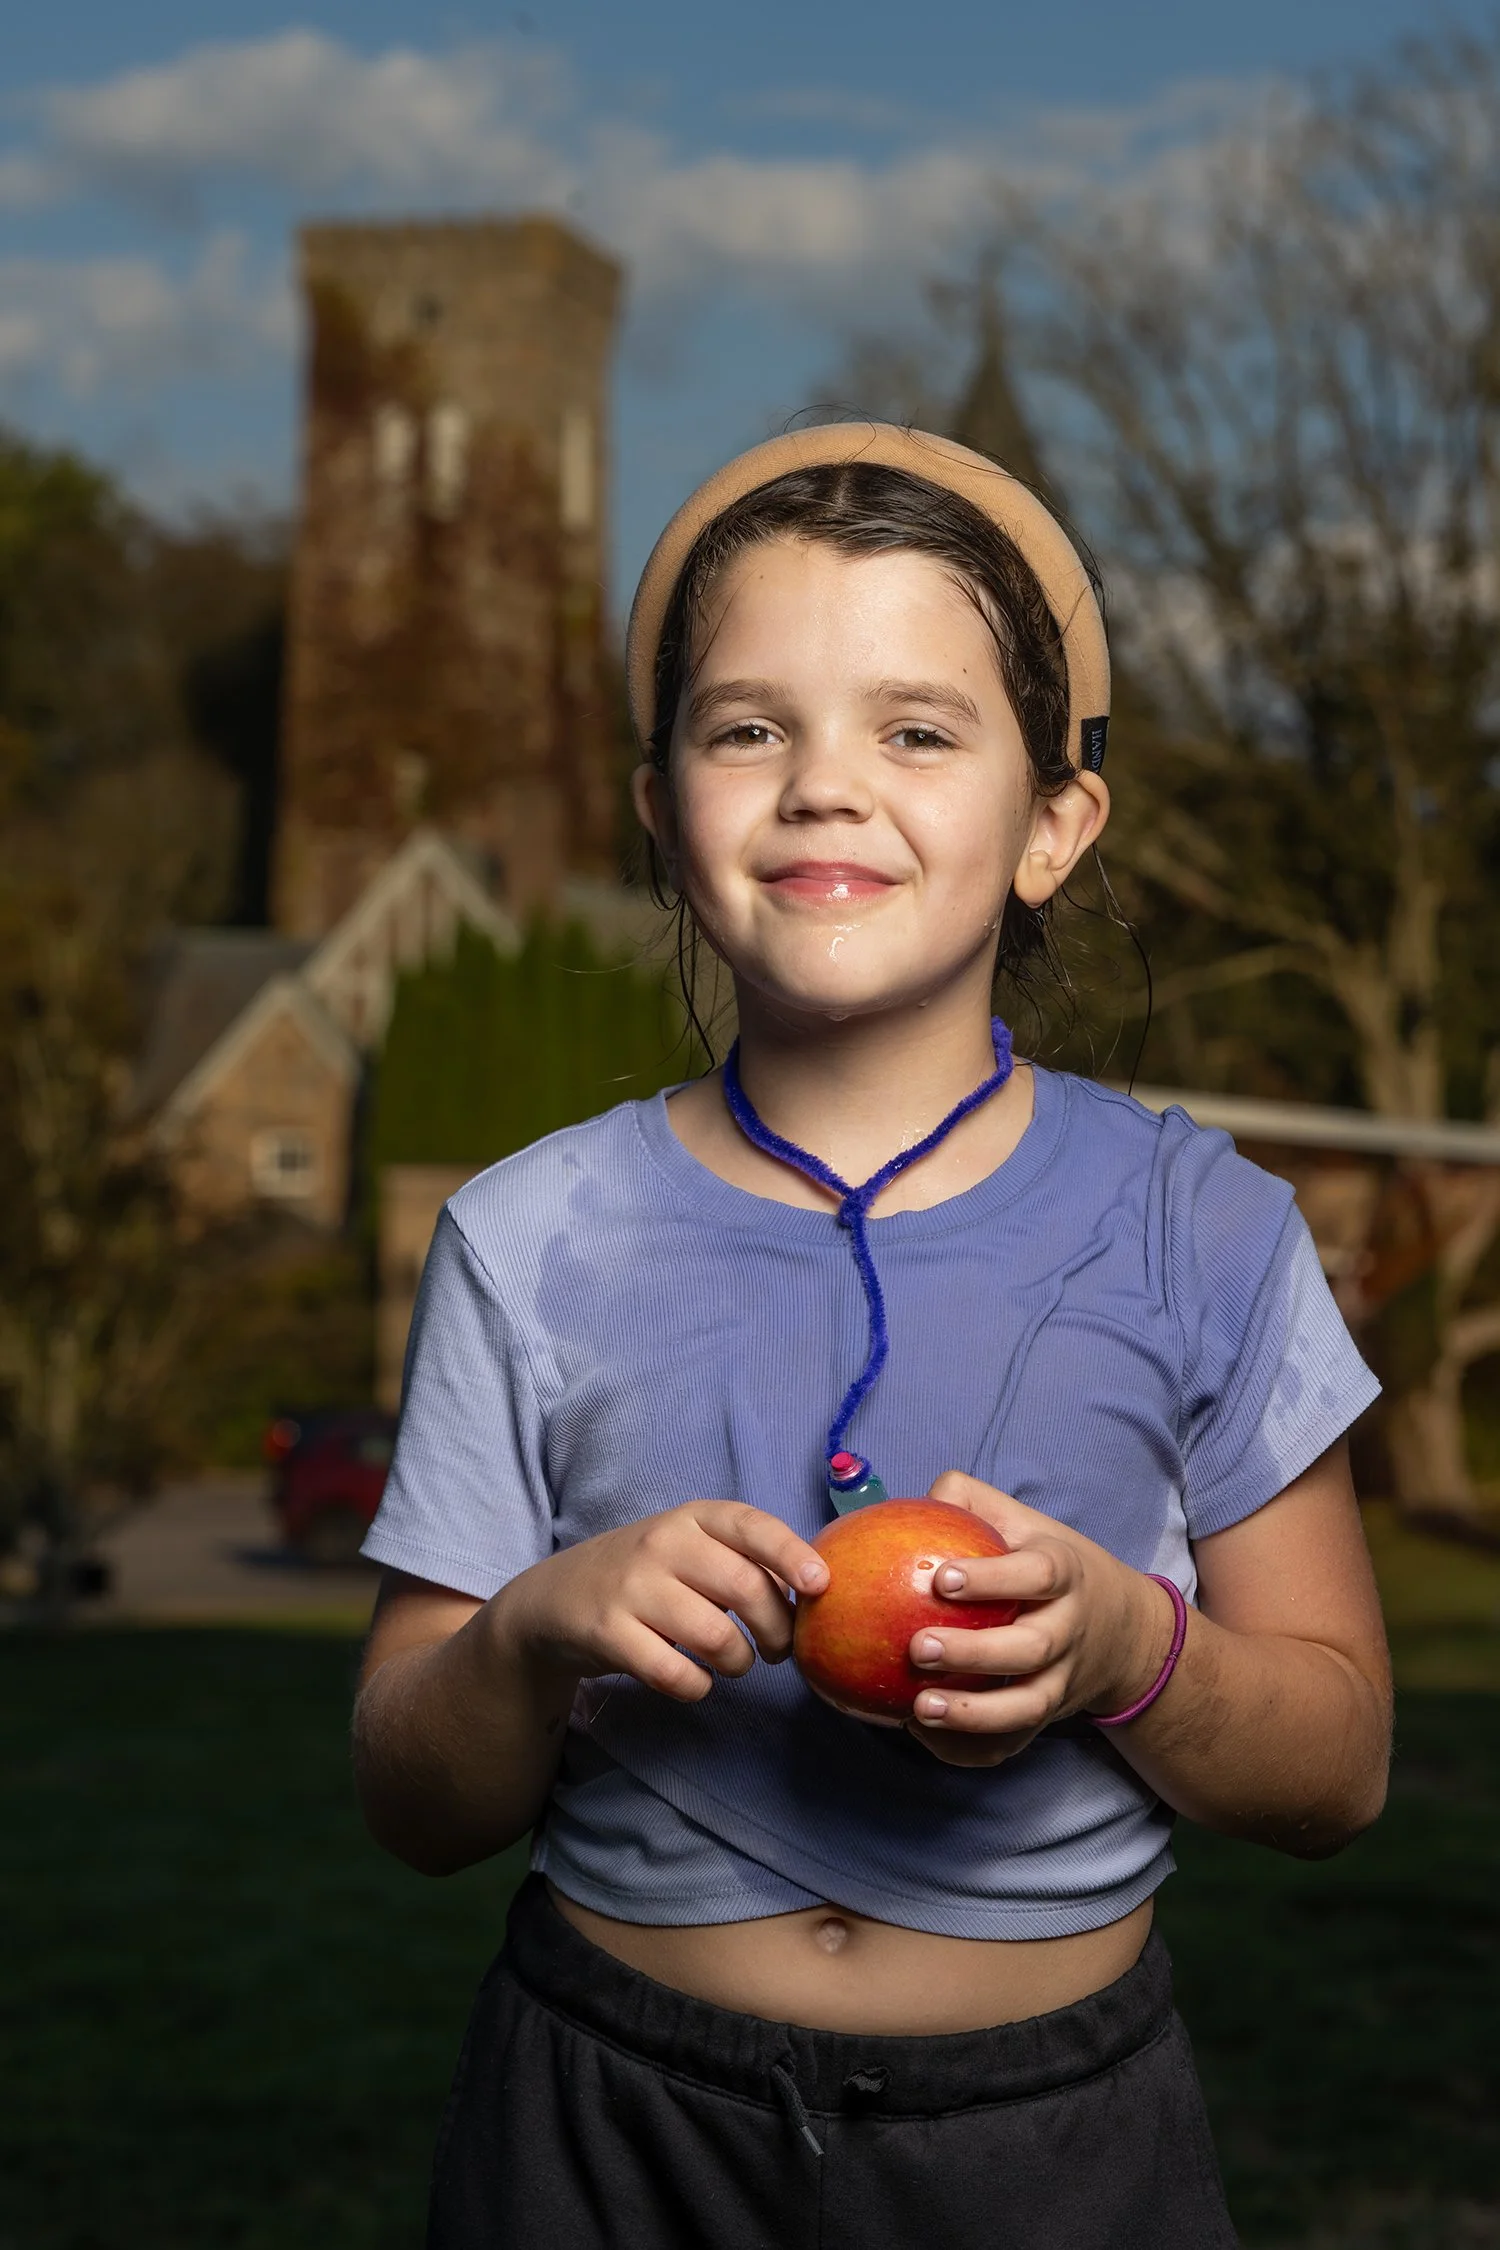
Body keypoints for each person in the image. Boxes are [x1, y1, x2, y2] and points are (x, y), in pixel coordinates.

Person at [352, 425, 1392, 2250]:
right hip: (604, 2126)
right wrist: (530, 1633)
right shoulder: (525, 1239)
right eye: (750, 728)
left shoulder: (1204, 1224)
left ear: (1055, 825)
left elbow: (1340, 1768)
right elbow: (412, 1800)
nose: (827, 786)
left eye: (916, 729)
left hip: (1055, 2142)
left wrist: (1133, 1648)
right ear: (666, 807)